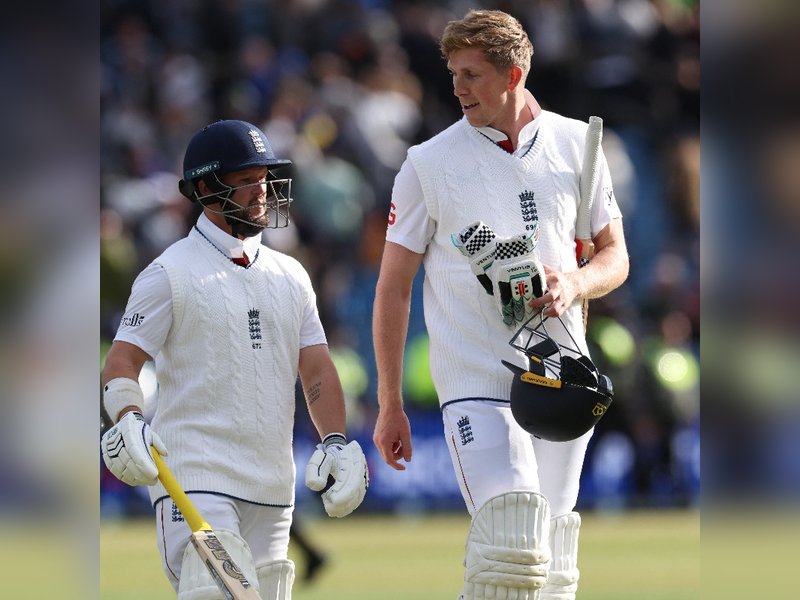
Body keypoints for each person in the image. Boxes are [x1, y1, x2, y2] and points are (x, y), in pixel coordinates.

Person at [372, 10, 628, 600]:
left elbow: (616, 257)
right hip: (475, 380)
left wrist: (574, 284)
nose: (457, 88)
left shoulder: (579, 144)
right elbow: (393, 287)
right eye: (453, 73)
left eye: (471, 74)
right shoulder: (426, 165)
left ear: (513, 75)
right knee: (510, 550)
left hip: (563, 375)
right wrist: (390, 403)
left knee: (553, 571)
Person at [100, 119, 368, 600]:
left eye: (263, 178)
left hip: (272, 483)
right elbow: (121, 362)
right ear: (205, 188)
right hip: (194, 476)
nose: (260, 191)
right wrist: (127, 418)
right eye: (245, 180)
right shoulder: (169, 273)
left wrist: (333, 440)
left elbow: (317, 368)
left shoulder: (292, 274)